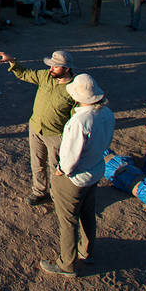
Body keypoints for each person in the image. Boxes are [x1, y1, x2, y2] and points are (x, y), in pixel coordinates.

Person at [40, 73, 115, 278]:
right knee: (87, 213)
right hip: (95, 171)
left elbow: (70, 155)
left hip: (74, 178)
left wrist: (61, 170)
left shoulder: (80, 120)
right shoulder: (107, 113)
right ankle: (87, 252)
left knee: (68, 220)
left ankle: (67, 263)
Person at [0, 49, 76, 208]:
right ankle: (39, 191)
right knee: (37, 163)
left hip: (57, 135)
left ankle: (56, 195)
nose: (51, 69)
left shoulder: (74, 89)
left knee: (56, 168)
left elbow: (76, 118)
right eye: (51, 65)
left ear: (66, 68)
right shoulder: (45, 76)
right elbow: (24, 73)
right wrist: (12, 61)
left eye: (55, 67)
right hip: (36, 129)